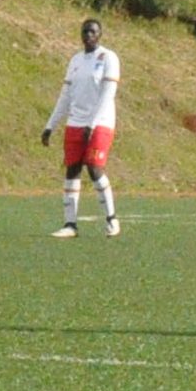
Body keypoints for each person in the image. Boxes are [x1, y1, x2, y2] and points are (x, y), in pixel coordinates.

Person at [41, 18, 122, 238]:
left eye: (93, 31)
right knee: (72, 169)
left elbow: (108, 94)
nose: (88, 35)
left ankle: (112, 219)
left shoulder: (108, 58)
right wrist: (50, 125)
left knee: (94, 168)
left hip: (101, 122)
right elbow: (65, 96)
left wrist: (92, 124)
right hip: (75, 122)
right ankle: (70, 224)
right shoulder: (76, 60)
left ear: (100, 34)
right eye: (85, 31)